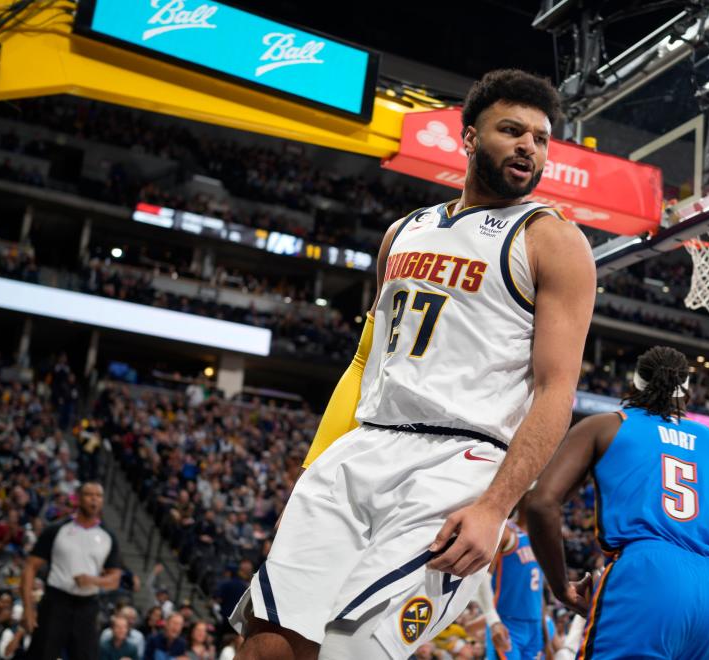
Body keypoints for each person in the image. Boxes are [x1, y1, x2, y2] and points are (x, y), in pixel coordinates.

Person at [231, 68, 598, 659]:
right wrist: (315, 469)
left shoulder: (551, 238)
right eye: (511, 130)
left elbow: (557, 391)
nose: (529, 146)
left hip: (459, 462)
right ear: (470, 136)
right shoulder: (404, 231)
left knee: (351, 650)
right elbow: (362, 360)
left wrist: (495, 506)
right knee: (267, 645)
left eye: (540, 137)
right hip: (362, 449)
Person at [527, 346, 709, 658]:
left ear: (633, 386)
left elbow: (541, 503)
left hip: (647, 574)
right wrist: (700, 580)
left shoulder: (608, 425)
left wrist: (563, 589)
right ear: (687, 394)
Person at [20, 482, 122, 660]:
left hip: (87, 606)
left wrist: (93, 580)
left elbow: (115, 579)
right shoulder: (57, 529)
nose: (94, 500)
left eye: (98, 496)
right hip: (55, 602)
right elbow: (30, 567)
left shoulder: (108, 536)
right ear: (79, 499)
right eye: (89, 495)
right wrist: (28, 608)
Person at [476, 494, 547, 660]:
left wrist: (544, 631)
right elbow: (481, 579)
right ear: (527, 499)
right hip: (508, 623)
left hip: (535, 624)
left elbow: (538, 591)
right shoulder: (506, 532)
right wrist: (493, 621)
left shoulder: (540, 539)